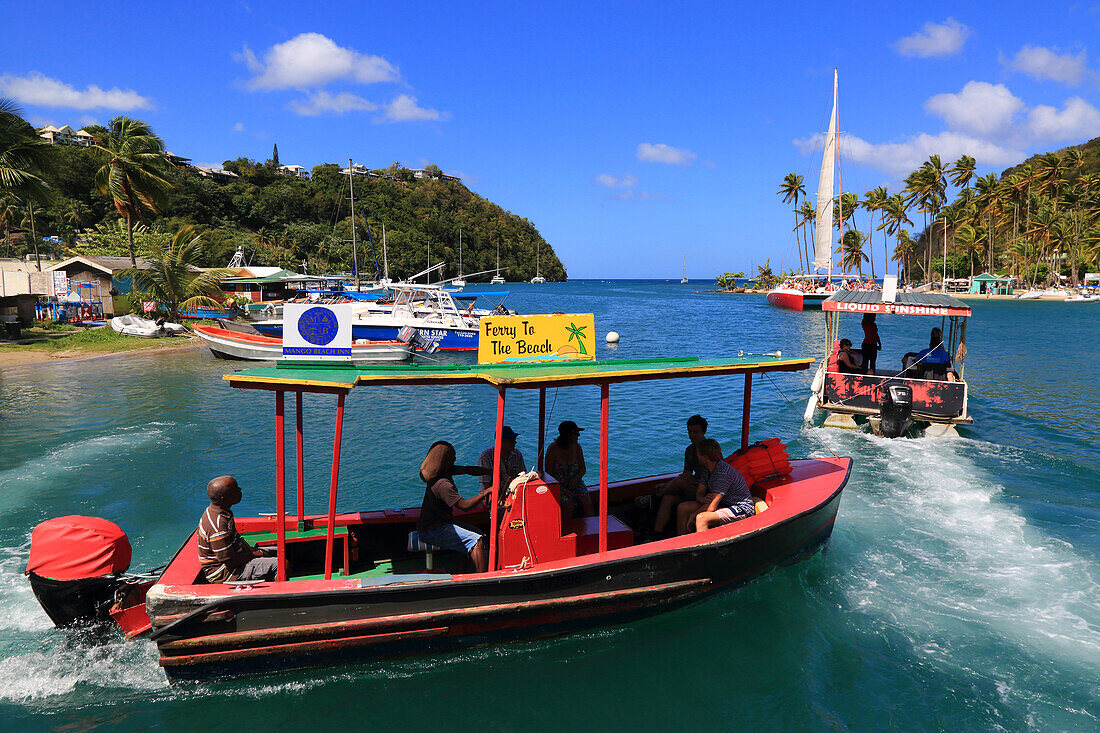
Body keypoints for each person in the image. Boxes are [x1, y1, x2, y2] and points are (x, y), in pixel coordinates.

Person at [416, 441, 493, 573]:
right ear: (446, 461)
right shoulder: (443, 484)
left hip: (437, 524)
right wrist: (485, 492)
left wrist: (492, 472)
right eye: (452, 456)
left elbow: (468, 470)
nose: (455, 459)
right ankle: (483, 577)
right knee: (476, 540)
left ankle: (462, 569)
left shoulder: (443, 472)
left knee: (477, 532)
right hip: (433, 530)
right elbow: (464, 506)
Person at [198, 476, 278, 583]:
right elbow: (229, 561)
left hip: (237, 557)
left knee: (279, 551)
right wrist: (256, 554)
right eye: (235, 490)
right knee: (281, 565)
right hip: (224, 573)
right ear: (223, 498)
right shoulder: (217, 526)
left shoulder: (223, 511)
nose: (240, 491)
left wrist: (254, 552)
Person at [675, 439, 755, 534]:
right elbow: (699, 494)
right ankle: (683, 540)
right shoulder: (706, 470)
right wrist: (703, 499)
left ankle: (703, 546)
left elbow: (711, 507)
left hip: (741, 508)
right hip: (722, 503)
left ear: (704, 457)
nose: (697, 456)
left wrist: (693, 515)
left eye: (698, 454)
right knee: (683, 508)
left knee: (701, 518)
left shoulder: (722, 474)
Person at [652, 414, 710, 536]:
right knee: (668, 498)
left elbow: (713, 479)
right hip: (695, 488)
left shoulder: (710, 450)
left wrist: (686, 481)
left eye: (696, 432)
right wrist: (668, 484)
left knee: (678, 482)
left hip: (707, 493)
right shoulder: (690, 450)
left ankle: (656, 496)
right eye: (690, 432)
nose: (692, 435)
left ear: (704, 432)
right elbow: (686, 474)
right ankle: (656, 534)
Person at [543, 420, 593, 519]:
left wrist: (576, 479)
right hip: (558, 485)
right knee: (568, 506)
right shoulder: (553, 449)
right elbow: (549, 474)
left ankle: (590, 530)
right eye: (575, 433)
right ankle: (565, 531)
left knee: (586, 503)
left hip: (575, 482)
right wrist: (564, 490)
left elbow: (582, 469)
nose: (578, 435)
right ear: (567, 435)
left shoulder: (577, 447)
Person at [477, 426, 527, 497]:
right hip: (491, 497)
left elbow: (523, 477)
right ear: (501, 442)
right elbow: (486, 486)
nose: (515, 443)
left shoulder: (517, 454)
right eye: (511, 441)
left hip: (512, 495)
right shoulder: (486, 457)